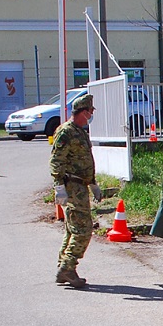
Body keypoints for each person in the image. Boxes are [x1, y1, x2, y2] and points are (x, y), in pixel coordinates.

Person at [50, 93, 103, 289]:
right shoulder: (66, 132)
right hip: (72, 187)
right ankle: (67, 267)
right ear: (83, 111)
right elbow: (57, 161)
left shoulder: (80, 131)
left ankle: (64, 267)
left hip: (81, 185)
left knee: (72, 229)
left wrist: (92, 184)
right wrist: (59, 187)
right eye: (90, 111)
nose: (91, 115)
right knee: (83, 230)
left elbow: (84, 161)